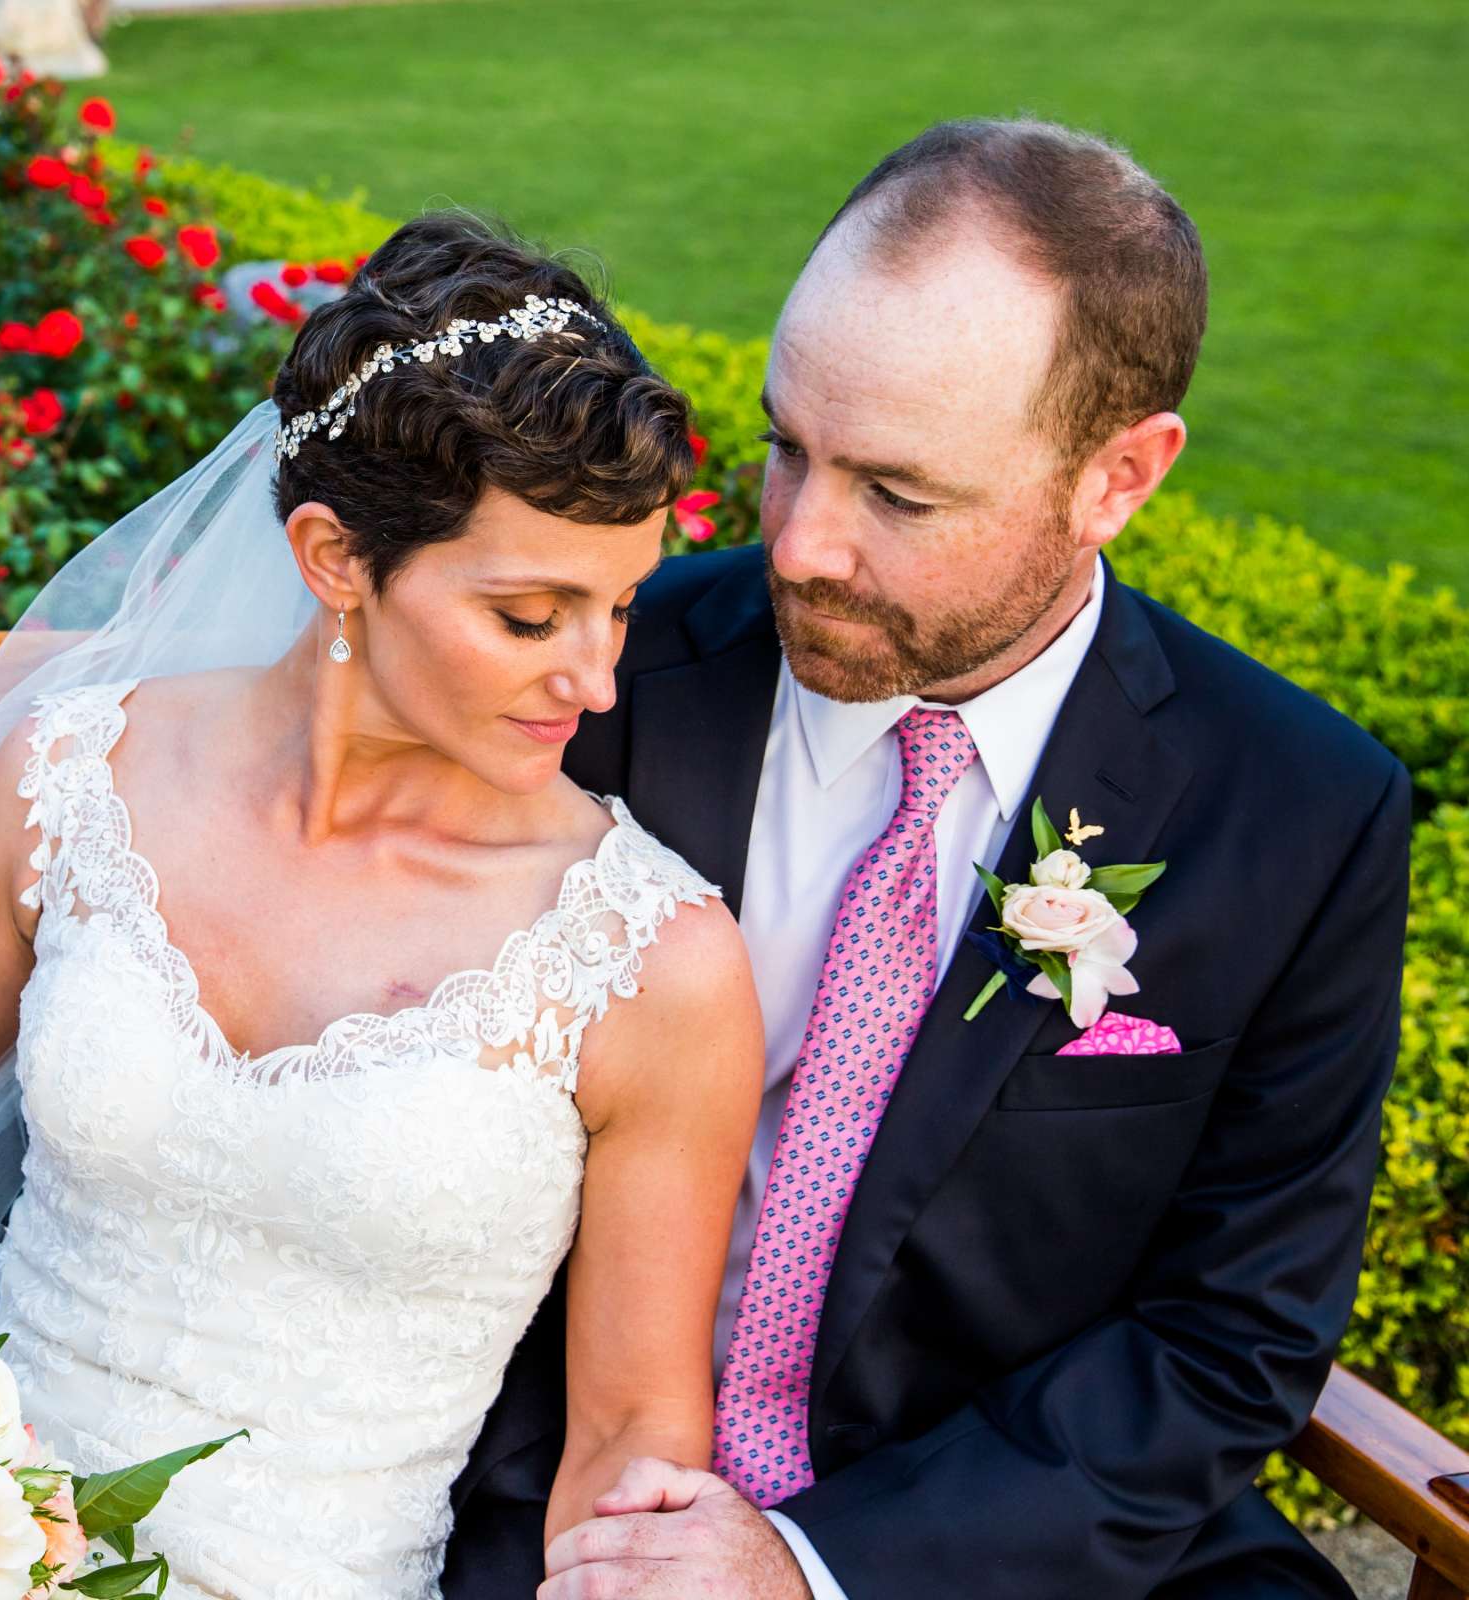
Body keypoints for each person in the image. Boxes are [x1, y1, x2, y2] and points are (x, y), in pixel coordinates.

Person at [467, 119, 1412, 1600]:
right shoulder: (598, 690)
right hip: (560, 1509)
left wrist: (811, 1568)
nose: (800, 546)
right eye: (788, 447)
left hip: (1007, 1545)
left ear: (1119, 478)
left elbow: (1231, 1336)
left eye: (897, 495)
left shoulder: (1298, 814)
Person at [0, 213, 767, 1598]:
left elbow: (628, 1440)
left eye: (622, 611)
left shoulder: (653, 966)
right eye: (533, 619)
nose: (595, 683)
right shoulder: (77, 771)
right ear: (334, 559)